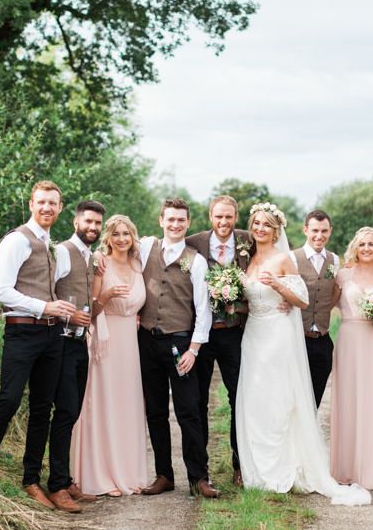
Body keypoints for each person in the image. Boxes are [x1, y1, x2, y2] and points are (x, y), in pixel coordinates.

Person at [236, 202, 370, 505]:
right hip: (254, 334)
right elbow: (252, 298)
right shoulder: (249, 258)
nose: (260, 229)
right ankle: (257, 470)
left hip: (277, 336)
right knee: (255, 401)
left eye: (266, 225)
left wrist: (280, 286)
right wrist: (231, 301)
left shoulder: (283, 259)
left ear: (276, 229)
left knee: (279, 400)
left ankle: (285, 468)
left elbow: (302, 299)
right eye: (256, 223)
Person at [0, 181, 78, 511]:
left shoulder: (55, 248)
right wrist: (44, 307)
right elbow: (1, 291)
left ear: (60, 209)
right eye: (42, 202)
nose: (47, 208)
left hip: (51, 336)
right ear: (31, 204)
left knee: (42, 409)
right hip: (21, 333)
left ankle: (31, 480)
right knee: (9, 399)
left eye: (53, 203)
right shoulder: (17, 240)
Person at [137, 198, 218, 498]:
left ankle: (199, 477)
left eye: (181, 220)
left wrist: (194, 348)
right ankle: (163, 475)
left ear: (187, 223)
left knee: (189, 410)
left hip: (180, 342)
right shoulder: (146, 249)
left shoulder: (195, 261)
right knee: (155, 410)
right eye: (170, 219)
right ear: (161, 221)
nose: (175, 224)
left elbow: (203, 308)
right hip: (146, 340)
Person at [71, 215, 148, 496]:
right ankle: (102, 475)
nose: (121, 239)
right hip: (105, 341)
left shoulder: (140, 265)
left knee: (127, 405)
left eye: (126, 234)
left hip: (130, 343)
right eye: (116, 234)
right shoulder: (100, 263)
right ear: (108, 237)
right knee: (103, 403)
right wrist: (106, 297)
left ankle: (128, 473)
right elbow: (90, 309)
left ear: (133, 236)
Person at [186, 195, 251, 487]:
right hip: (201, 333)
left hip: (237, 333)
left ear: (235, 217)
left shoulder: (249, 241)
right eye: (218, 217)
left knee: (240, 398)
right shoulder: (193, 242)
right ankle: (201, 472)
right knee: (198, 400)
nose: (223, 223)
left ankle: (241, 465)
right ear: (210, 216)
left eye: (228, 217)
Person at [47, 200, 106, 510]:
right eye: (88, 222)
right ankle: (56, 486)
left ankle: (65, 479)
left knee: (72, 412)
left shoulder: (90, 256)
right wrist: (69, 316)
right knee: (65, 411)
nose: (92, 228)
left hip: (80, 343)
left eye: (97, 223)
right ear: (76, 223)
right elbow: (47, 293)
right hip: (60, 342)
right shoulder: (61, 252)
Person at [330, 227, 373, 491]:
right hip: (349, 339)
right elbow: (329, 303)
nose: (367, 248)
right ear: (355, 248)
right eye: (362, 244)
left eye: (372, 244)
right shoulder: (343, 275)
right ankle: (346, 468)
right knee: (349, 400)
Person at [291, 210, 339, 407]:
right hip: (297, 340)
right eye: (315, 230)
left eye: (324, 231)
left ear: (330, 232)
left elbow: (334, 294)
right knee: (295, 399)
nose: (319, 235)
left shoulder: (335, 260)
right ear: (305, 230)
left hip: (322, 340)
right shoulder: (292, 258)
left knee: (315, 400)